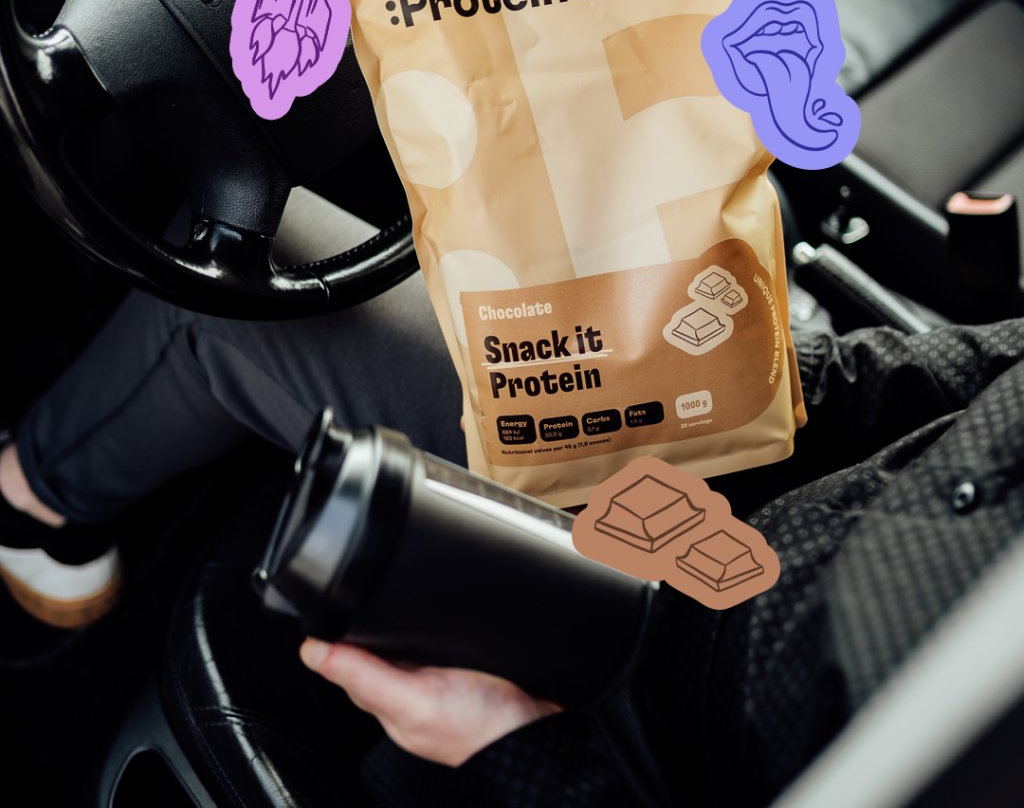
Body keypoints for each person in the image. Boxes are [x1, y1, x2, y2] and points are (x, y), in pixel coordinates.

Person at [2, 193, 1024, 806]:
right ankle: (43, 492)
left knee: (225, 307)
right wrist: (709, 372)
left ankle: (26, 503)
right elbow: (952, 375)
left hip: (640, 748)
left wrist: (513, 753)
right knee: (260, 272)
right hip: (738, 495)